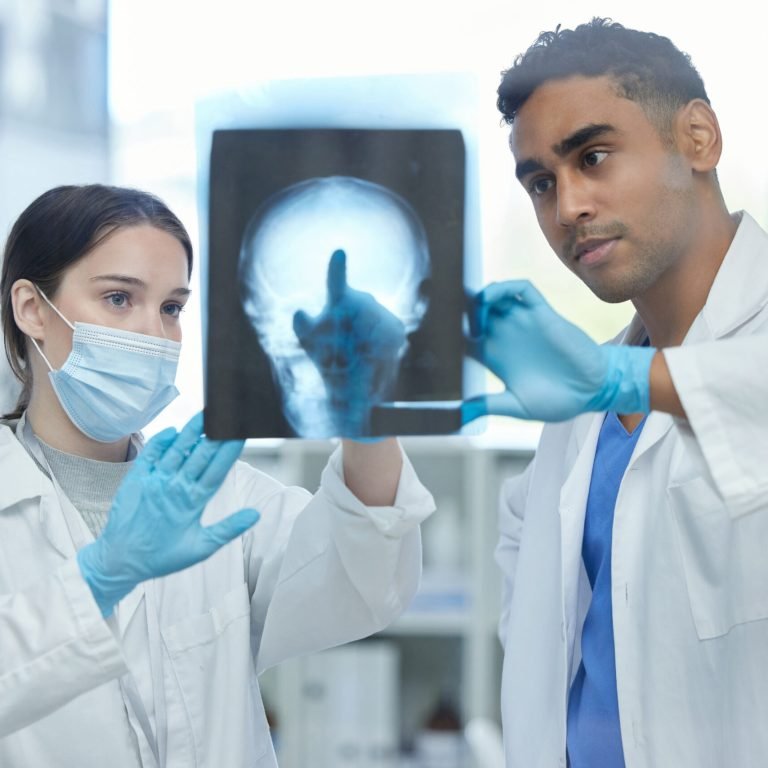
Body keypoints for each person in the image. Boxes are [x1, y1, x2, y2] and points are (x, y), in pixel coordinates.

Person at [0, 184, 435, 767]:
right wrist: (106, 573)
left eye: (171, 308)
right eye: (119, 299)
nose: (154, 334)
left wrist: (366, 414)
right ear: (31, 309)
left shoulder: (218, 495)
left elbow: (360, 581)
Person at [462, 18, 768, 768]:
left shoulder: (612, 379)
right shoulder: (587, 400)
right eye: (541, 183)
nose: (567, 208)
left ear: (698, 138)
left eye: (593, 157)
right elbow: (541, 629)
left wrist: (624, 381)